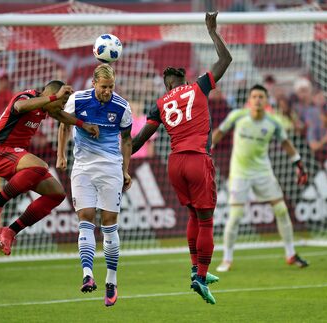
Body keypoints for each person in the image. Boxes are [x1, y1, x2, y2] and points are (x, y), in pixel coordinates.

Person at [132, 12, 232, 304]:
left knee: (191, 216)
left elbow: (140, 140)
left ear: (166, 85)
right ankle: (201, 276)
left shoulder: (160, 104)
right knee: (207, 221)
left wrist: (121, 155)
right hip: (198, 159)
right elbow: (225, 60)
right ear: (184, 80)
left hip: (174, 163)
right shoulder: (198, 86)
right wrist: (212, 31)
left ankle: (194, 269)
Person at [0, 80, 99, 256]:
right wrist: (55, 97)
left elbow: (60, 116)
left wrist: (83, 125)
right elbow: (19, 107)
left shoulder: (45, 108)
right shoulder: (28, 96)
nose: (61, 106)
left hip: (13, 156)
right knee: (41, 166)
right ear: (51, 95)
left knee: (56, 194)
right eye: (60, 102)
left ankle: (11, 231)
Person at [56, 64, 132, 307]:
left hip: (111, 169)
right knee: (86, 218)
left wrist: (125, 170)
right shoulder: (77, 100)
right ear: (93, 83)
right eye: (103, 87)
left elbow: (127, 140)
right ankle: (87, 275)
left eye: (110, 87)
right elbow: (63, 124)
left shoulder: (121, 107)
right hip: (82, 168)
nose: (107, 91)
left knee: (109, 224)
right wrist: (61, 155)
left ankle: (111, 281)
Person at [212, 84, 309, 273]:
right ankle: (227, 259)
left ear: (266, 101)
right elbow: (220, 132)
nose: (257, 100)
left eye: (261, 97)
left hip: (263, 172)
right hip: (240, 173)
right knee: (236, 215)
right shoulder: (238, 116)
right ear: (249, 100)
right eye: (254, 96)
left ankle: (290, 254)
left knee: (281, 209)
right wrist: (208, 149)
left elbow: (286, 143)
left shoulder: (273, 122)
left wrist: (299, 164)